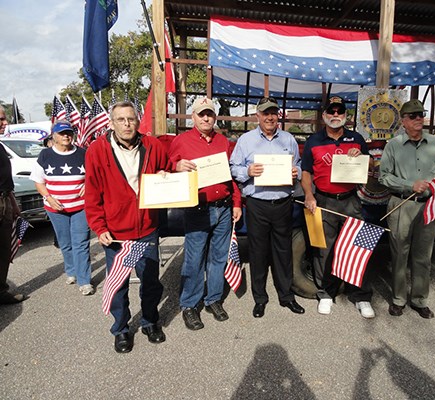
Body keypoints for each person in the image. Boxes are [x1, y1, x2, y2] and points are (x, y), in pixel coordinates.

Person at [84, 101, 169, 353]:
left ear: (137, 121)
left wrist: (169, 172)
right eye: (121, 120)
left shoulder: (153, 145)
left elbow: (167, 169)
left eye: (131, 119)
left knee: (151, 281)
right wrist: (99, 227)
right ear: (111, 123)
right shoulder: (97, 151)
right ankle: (120, 329)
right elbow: (92, 194)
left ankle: (150, 321)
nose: (127, 124)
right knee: (118, 285)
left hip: (147, 229)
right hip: (116, 233)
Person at [168, 97, 242, 331]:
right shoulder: (181, 141)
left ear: (215, 116)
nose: (206, 118)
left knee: (219, 257)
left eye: (209, 114)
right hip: (198, 208)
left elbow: (231, 175)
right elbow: (167, 166)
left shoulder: (223, 141)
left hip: (223, 206)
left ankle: (213, 300)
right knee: (194, 259)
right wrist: (176, 166)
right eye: (201, 114)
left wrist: (237, 203)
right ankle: (189, 305)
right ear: (194, 117)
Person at [301, 96, 375, 318]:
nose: (335, 115)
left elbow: (371, 164)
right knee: (325, 249)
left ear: (345, 116)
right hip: (323, 199)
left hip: (351, 199)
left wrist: (362, 156)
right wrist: (308, 194)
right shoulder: (314, 141)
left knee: (357, 248)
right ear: (323, 115)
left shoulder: (357, 138)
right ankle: (325, 294)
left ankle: (361, 296)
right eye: (331, 112)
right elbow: (306, 172)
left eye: (340, 112)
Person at [230, 96, 305, 318]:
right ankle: (260, 298)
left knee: (283, 252)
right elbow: (234, 167)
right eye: (265, 113)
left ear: (278, 115)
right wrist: (247, 172)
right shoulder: (245, 140)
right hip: (257, 204)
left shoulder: (289, 139)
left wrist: (296, 173)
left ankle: (286, 296)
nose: (270, 117)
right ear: (258, 116)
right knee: (258, 252)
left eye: (273, 113)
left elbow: (299, 164)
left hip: (282, 202)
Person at [379, 99, 435, 319]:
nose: (418, 118)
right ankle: (399, 299)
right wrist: (410, 185)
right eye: (413, 115)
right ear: (403, 121)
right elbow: (383, 176)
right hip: (402, 205)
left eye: (421, 114)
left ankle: (419, 300)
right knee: (399, 254)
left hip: (430, 207)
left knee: (423, 256)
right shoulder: (393, 145)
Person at [30, 121, 93, 295]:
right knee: (65, 243)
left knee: (80, 242)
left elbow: (93, 173)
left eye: (69, 132)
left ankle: (84, 280)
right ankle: (71, 271)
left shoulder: (83, 153)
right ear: (53, 136)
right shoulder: (45, 155)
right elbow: (38, 180)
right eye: (61, 133)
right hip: (55, 208)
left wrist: (88, 183)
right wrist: (48, 198)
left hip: (80, 206)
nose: (66, 136)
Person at [0, 106, 28, 305]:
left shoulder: (0, 146)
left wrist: (12, 203)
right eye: (1, 119)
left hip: (4, 200)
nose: (5, 123)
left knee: (3, 250)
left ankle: (1, 291)